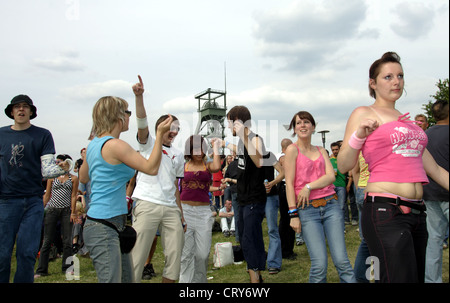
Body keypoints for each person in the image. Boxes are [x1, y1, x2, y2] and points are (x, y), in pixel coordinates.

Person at [337, 52, 449, 283]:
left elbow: (435, 170)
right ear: (373, 83)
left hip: (418, 214)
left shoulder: (407, 122)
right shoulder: (364, 113)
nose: (396, 81)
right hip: (386, 211)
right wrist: (359, 136)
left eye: (400, 75)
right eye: (388, 77)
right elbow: (344, 164)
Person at [79, 95, 172, 283]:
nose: (129, 116)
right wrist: (160, 136)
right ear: (117, 115)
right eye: (127, 112)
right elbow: (151, 168)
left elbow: (83, 177)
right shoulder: (115, 145)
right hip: (104, 224)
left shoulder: (94, 144)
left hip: (106, 222)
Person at [0, 94, 72, 283]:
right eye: (17, 107)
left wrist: (64, 167)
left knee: (27, 253)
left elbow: (47, 170)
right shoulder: (1, 134)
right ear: (11, 111)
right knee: (2, 254)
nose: (21, 110)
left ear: (31, 112)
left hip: (33, 201)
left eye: (25, 107)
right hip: (5, 201)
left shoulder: (43, 134)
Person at [284, 111, 355, 283]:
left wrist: (309, 186)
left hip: (331, 206)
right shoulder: (292, 151)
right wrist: (293, 215)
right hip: (307, 211)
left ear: (313, 127)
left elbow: (331, 176)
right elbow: (290, 184)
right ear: (294, 128)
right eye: (298, 123)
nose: (303, 125)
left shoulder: (321, 150)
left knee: (342, 261)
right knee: (319, 265)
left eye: (306, 122)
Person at [129, 75, 185, 283]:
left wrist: (181, 214)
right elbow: (142, 122)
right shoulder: (147, 144)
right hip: (147, 203)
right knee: (137, 257)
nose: (173, 130)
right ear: (159, 127)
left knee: (175, 258)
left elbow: (175, 185)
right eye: (169, 125)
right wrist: (139, 97)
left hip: (171, 208)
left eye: (176, 128)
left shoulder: (178, 155)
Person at [220, 105, 274, 283]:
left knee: (250, 239)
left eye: (230, 122)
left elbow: (259, 161)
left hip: (253, 199)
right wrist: (224, 144)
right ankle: (257, 273)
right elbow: (239, 151)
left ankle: (255, 280)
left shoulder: (255, 139)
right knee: (246, 240)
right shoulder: (243, 142)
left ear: (237, 121)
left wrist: (243, 134)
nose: (228, 127)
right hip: (243, 199)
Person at [179, 135, 222, 283]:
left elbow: (217, 166)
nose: (198, 152)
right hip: (186, 211)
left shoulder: (207, 165)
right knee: (186, 255)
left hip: (204, 213)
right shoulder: (182, 166)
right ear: (189, 150)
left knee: (202, 254)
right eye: (194, 149)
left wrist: (215, 146)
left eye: (200, 148)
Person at [35, 154, 79, 278]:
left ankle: (68, 268)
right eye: (61, 163)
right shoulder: (52, 178)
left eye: (66, 163)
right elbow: (47, 194)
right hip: (52, 209)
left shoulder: (73, 178)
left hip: (66, 210)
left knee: (67, 241)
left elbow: (74, 195)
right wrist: (41, 209)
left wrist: (73, 212)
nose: (63, 165)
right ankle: (41, 270)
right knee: (47, 240)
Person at [423, 100, 449, 283]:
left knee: (434, 240)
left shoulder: (425, 135)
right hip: (447, 191)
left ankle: (432, 280)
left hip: (430, 194)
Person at [277, 138, 298, 259]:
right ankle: (284, 250)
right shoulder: (282, 156)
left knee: (291, 218)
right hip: (284, 188)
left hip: (291, 187)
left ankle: (289, 248)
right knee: (286, 219)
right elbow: (284, 163)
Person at [330, 142, 349, 225]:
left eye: (336, 149)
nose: (335, 151)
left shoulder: (344, 159)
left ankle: (342, 225)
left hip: (341, 185)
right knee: (333, 207)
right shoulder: (329, 160)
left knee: (341, 206)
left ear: (339, 149)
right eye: (333, 150)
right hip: (331, 186)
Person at [222, 152, 239, 242]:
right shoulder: (243, 163)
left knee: (237, 214)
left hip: (234, 191)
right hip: (242, 191)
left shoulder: (231, 165)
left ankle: (237, 237)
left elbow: (226, 177)